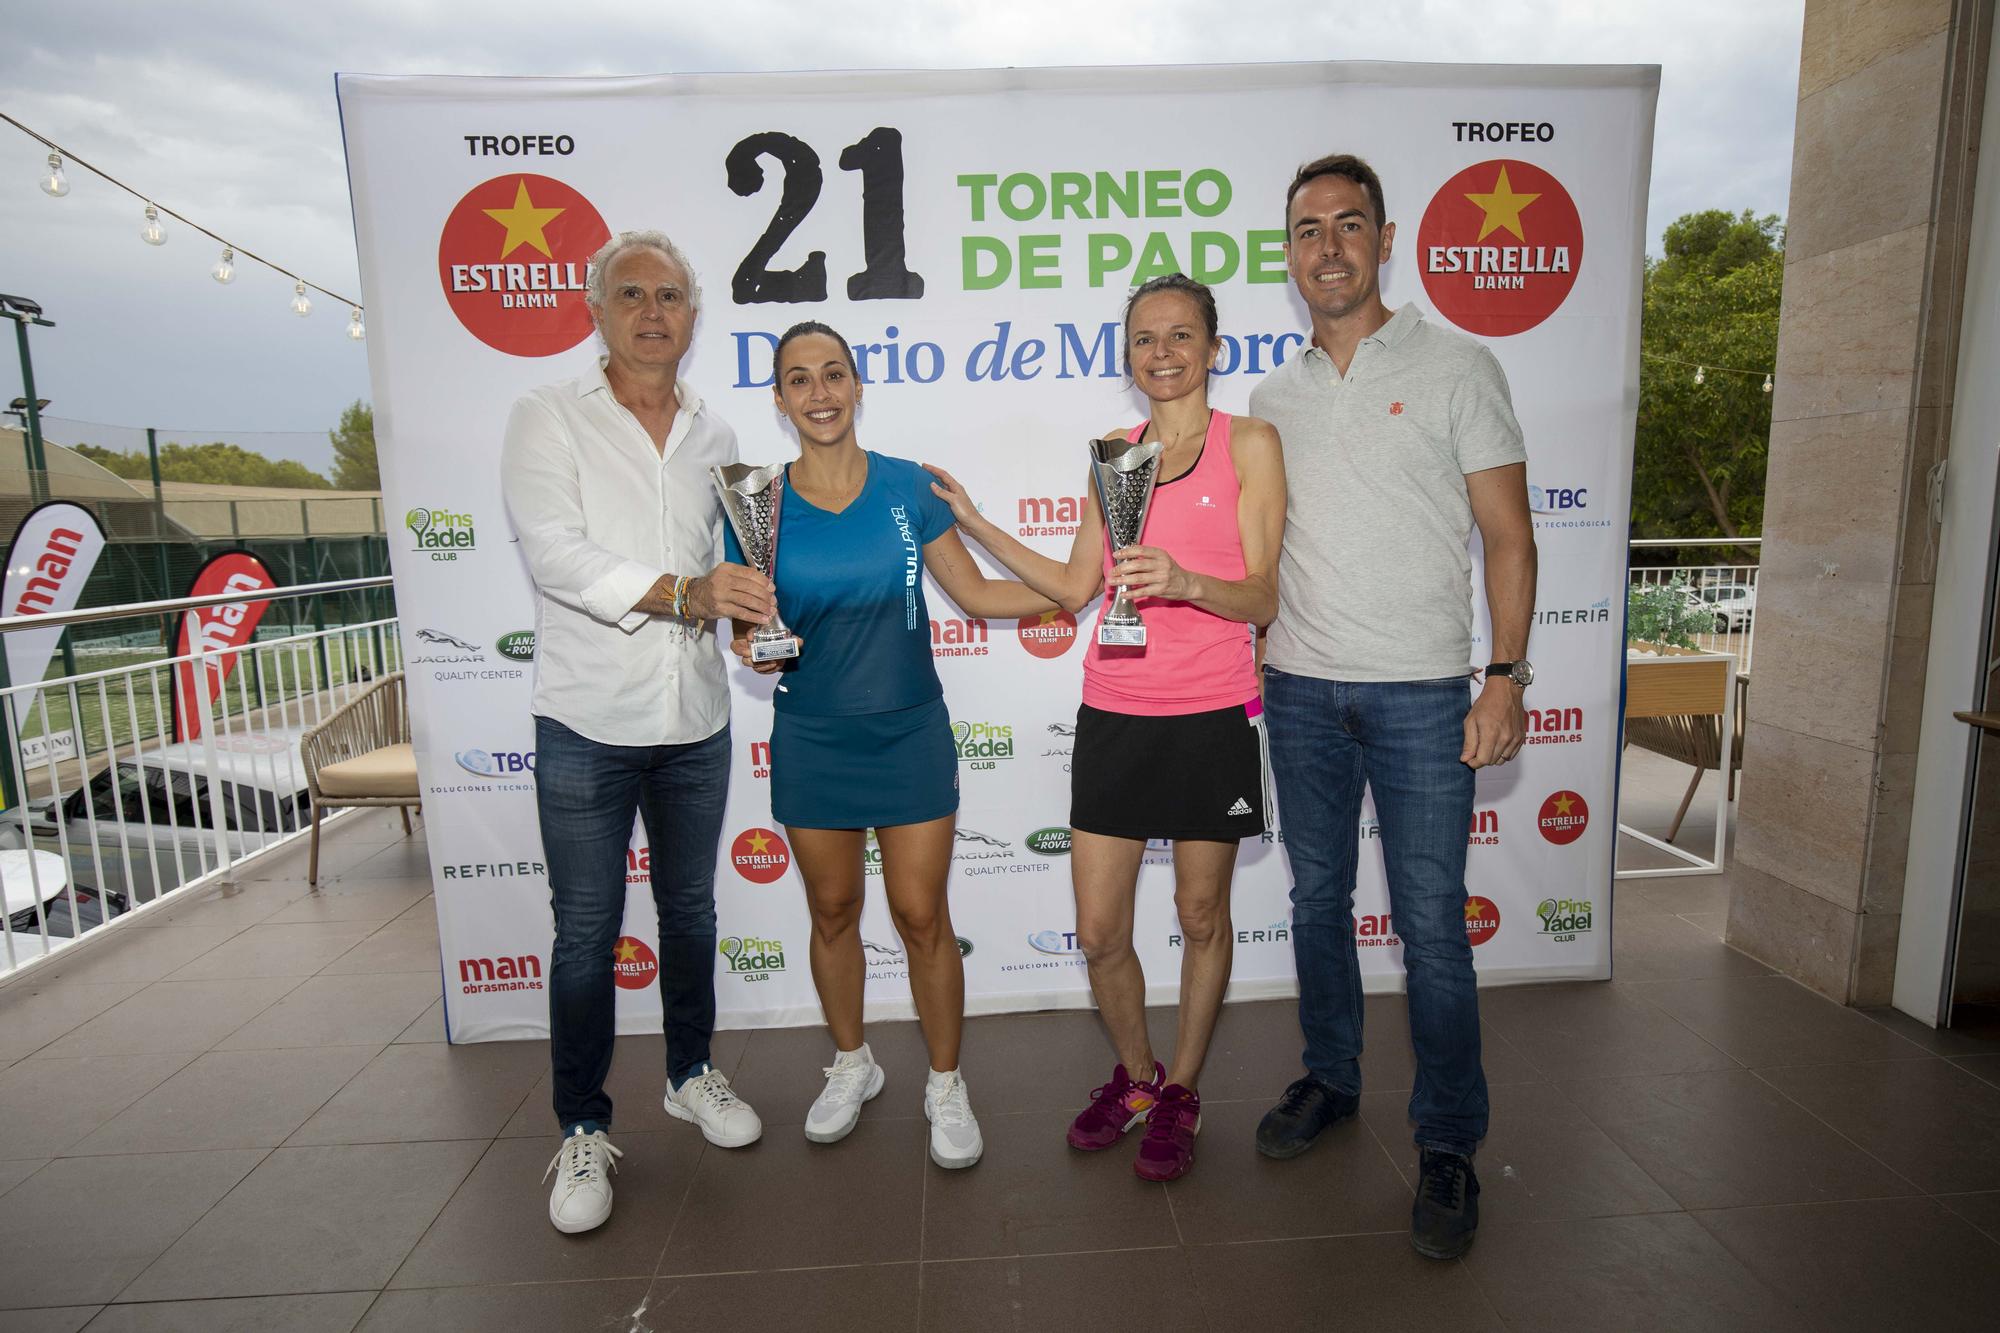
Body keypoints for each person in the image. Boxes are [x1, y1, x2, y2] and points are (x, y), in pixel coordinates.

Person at [927, 274, 1286, 1181]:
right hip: (1116, 711)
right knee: (1098, 929)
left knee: (1202, 913)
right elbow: (1077, 586)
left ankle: (1185, 1091)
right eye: (1144, 340)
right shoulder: (1111, 456)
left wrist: (1188, 582)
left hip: (1211, 711)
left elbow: (1266, 594)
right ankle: (1136, 1077)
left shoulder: (1251, 443)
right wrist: (971, 523)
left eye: (1179, 335)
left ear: (1214, 347)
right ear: (1127, 357)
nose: (1161, 352)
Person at [1247, 154, 1537, 1260]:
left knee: (1430, 930)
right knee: (1316, 900)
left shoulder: (1460, 364)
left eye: (1347, 224)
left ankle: (1449, 1142)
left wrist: (1503, 674)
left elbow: (1508, 536)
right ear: (1288, 254)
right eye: (1306, 229)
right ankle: (1329, 1077)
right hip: (1300, 689)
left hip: (1424, 693)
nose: (1327, 246)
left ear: (1385, 239)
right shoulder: (1270, 398)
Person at [727, 321, 1057, 1169]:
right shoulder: (755, 501)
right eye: (799, 380)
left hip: (910, 732)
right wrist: (745, 638)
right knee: (832, 912)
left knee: (920, 915)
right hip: (812, 735)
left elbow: (976, 594)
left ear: (858, 384)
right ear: (779, 397)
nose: (820, 393)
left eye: (833, 374)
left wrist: (1080, 587)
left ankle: (945, 1083)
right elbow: (746, 625)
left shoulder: (909, 486)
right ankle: (851, 1063)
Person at [501, 229, 774, 1235]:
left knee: (691, 909)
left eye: (670, 295)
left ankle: (691, 1072)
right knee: (583, 933)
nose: (652, 311)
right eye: (631, 294)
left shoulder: (716, 434)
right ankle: (580, 1123)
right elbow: (557, 558)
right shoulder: (544, 418)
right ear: (595, 311)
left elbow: (729, 563)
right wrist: (688, 592)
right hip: (586, 719)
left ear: (693, 319)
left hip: (695, 715)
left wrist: (745, 616)